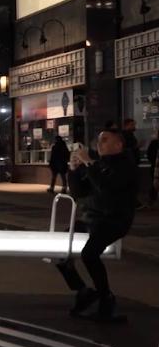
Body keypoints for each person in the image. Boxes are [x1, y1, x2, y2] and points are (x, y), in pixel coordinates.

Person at [55, 130, 137, 320]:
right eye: (98, 141)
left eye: (105, 140)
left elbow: (107, 189)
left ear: (119, 145)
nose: (99, 144)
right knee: (60, 248)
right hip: (92, 219)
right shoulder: (99, 164)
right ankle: (82, 290)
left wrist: (90, 164)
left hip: (114, 220)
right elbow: (79, 192)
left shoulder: (125, 166)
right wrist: (74, 171)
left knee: (89, 254)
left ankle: (106, 297)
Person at [147, 137, 158, 205]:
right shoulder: (154, 143)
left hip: (155, 166)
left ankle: (151, 201)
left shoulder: (154, 143)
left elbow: (149, 154)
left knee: (155, 185)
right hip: (155, 166)